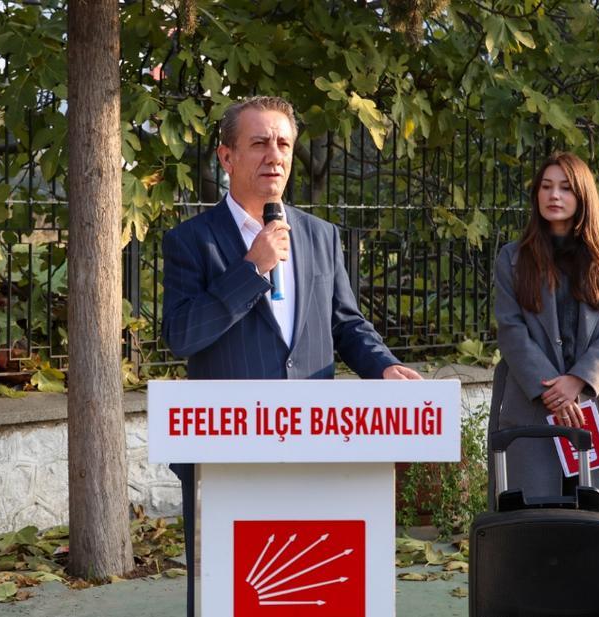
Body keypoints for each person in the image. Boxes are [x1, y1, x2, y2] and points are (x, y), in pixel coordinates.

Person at [161, 95, 421, 616]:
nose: (274, 155)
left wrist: (384, 366)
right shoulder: (191, 241)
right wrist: (251, 270)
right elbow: (183, 335)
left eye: (283, 143)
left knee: (312, 591)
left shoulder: (321, 236)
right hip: (228, 456)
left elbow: (346, 324)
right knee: (231, 596)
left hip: (313, 449)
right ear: (227, 156)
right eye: (259, 143)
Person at [489, 151, 599, 526]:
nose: (553, 195)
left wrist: (578, 381)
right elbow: (510, 329)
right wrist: (552, 391)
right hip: (531, 402)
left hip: (595, 401)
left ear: (583, 195)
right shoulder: (513, 258)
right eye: (546, 187)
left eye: (565, 188)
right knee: (532, 518)